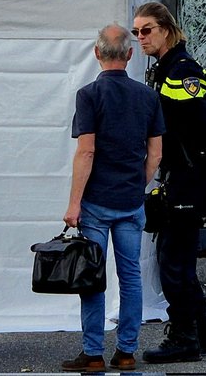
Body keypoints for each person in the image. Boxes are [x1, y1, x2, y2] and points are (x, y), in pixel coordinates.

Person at [132, 2, 206, 364]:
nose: (140, 38)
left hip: (190, 176)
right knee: (179, 259)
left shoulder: (183, 70)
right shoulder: (166, 68)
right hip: (181, 174)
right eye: (136, 32)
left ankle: (183, 337)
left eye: (146, 30)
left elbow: (204, 126)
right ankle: (203, 334)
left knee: (172, 263)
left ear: (165, 29)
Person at [61, 24, 164, 373]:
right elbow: (156, 154)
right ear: (131, 55)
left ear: (97, 53)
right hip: (130, 201)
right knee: (131, 276)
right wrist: (138, 186)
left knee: (93, 276)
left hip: (96, 202)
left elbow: (86, 152)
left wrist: (74, 203)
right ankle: (126, 351)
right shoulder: (148, 97)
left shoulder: (88, 95)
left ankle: (92, 354)